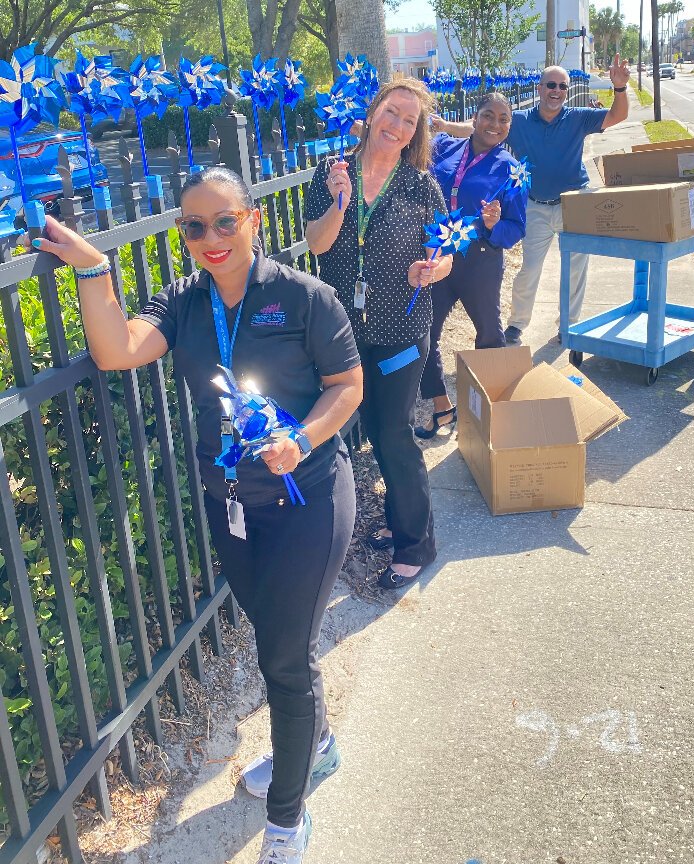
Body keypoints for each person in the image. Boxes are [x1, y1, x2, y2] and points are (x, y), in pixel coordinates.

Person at [27, 167, 363, 864]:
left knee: (284, 657)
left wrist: (299, 439)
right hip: (231, 506)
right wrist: (94, 267)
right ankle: (318, 746)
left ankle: (286, 819)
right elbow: (116, 351)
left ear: (254, 220)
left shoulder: (305, 297)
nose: (208, 237)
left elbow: (348, 385)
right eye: (192, 226)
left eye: (223, 221)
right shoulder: (182, 302)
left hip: (308, 501)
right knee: (280, 639)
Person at [305, 78, 453, 591]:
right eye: (392, 113)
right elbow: (317, 245)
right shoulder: (333, 173)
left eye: (409, 121)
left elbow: (446, 247)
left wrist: (432, 268)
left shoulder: (419, 184)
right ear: (373, 112)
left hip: (404, 332)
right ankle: (398, 519)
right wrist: (340, 204)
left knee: (393, 432)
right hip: (347, 331)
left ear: (417, 132)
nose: (397, 126)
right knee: (376, 429)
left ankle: (419, 541)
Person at [434, 56, 631, 345]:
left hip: (573, 202)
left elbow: (618, 116)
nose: (557, 91)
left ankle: (568, 326)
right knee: (529, 269)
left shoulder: (579, 116)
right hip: (536, 205)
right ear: (539, 88)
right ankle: (517, 323)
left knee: (576, 268)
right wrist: (444, 125)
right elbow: (477, 128)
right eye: (551, 84)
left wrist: (620, 88)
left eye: (562, 86)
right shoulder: (519, 120)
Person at [416, 91, 527, 439]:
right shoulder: (445, 148)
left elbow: (516, 229)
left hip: (479, 260)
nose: (495, 124)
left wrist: (494, 226)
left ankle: (492, 417)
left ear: (509, 125)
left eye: (503, 119)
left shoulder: (512, 171)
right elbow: (411, 147)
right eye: (488, 116)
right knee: (424, 333)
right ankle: (441, 408)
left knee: (490, 336)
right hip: (439, 255)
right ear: (474, 119)